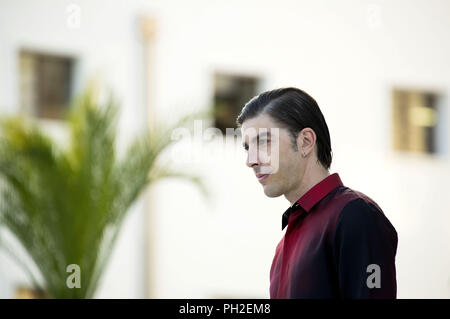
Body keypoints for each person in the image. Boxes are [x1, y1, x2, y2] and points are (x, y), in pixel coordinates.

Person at [236, 87, 398, 298]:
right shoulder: (282, 246)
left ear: (305, 142)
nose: (251, 160)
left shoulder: (355, 215)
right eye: (247, 148)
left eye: (264, 142)